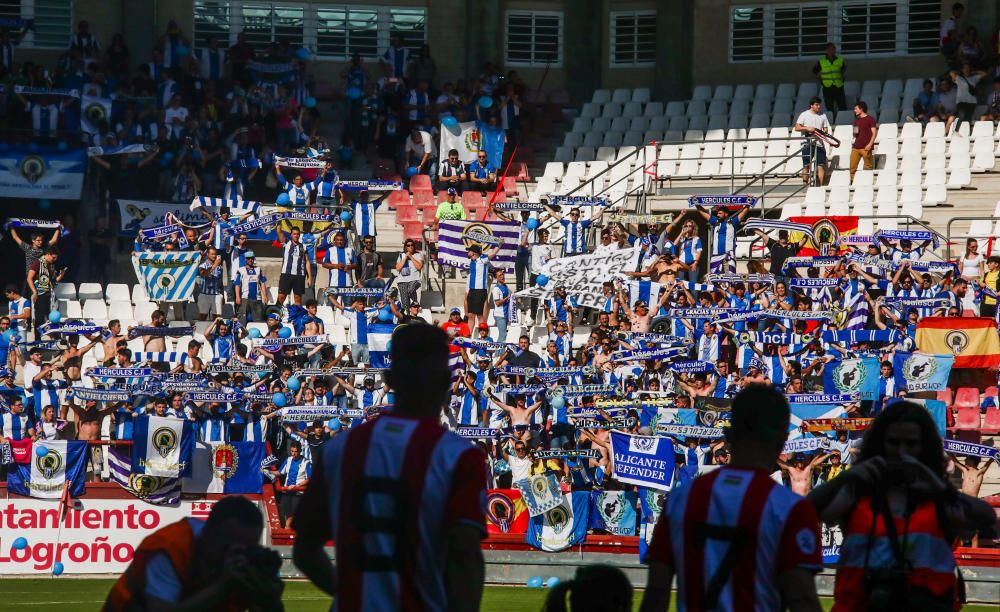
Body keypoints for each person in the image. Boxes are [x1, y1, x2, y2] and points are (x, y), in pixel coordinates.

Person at [292, 324, 487, 611]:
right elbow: (464, 558)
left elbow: (304, 549)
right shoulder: (458, 457)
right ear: (447, 380)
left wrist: (347, 594)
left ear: (389, 378)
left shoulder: (339, 450)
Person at [639, 385, 823, 612]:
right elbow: (803, 600)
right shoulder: (790, 509)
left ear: (730, 434)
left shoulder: (681, 499)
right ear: (782, 440)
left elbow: (656, 594)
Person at [808, 401, 996, 611]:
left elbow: (985, 518)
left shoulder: (937, 496)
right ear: (880, 444)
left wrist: (936, 483)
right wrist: (850, 475)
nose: (901, 451)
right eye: (893, 442)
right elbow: (806, 510)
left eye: (911, 444)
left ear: (925, 448)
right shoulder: (858, 492)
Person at [105, 495, 284, 611]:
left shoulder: (242, 563)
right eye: (228, 546)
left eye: (247, 547)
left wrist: (270, 599)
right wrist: (223, 585)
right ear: (208, 534)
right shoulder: (170, 548)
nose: (237, 553)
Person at [794, 97, 832, 185]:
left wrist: (824, 131)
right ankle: (805, 185)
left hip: (819, 143)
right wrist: (807, 128)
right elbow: (797, 127)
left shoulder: (823, 115)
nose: (818, 106)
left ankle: (821, 186)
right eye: (816, 105)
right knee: (806, 165)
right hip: (807, 143)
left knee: (821, 165)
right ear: (811, 105)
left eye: (819, 105)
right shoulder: (804, 114)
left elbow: (825, 128)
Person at [276, 226, 311, 307]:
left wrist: (309, 277)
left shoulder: (303, 247)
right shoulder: (286, 243)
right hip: (286, 274)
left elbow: (307, 262)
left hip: (299, 275)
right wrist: (279, 218)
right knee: (281, 296)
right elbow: (279, 231)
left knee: (297, 298)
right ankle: (276, 314)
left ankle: (296, 317)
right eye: (294, 234)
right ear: (291, 235)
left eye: (298, 234)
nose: (296, 236)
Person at [813, 42, 846, 114]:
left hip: (838, 86)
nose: (833, 51)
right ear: (827, 50)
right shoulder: (821, 61)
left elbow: (843, 70)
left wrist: (842, 78)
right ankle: (832, 122)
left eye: (834, 49)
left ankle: (843, 121)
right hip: (827, 87)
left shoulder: (840, 60)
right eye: (831, 49)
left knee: (842, 105)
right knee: (829, 106)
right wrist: (820, 80)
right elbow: (815, 71)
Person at [849, 100, 877, 182]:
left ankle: (866, 182)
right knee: (852, 166)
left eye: (856, 109)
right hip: (856, 147)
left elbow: (874, 133)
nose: (854, 111)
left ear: (861, 109)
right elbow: (855, 134)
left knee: (868, 166)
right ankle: (853, 182)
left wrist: (870, 144)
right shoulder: (856, 120)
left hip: (866, 147)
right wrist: (854, 132)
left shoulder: (870, 119)